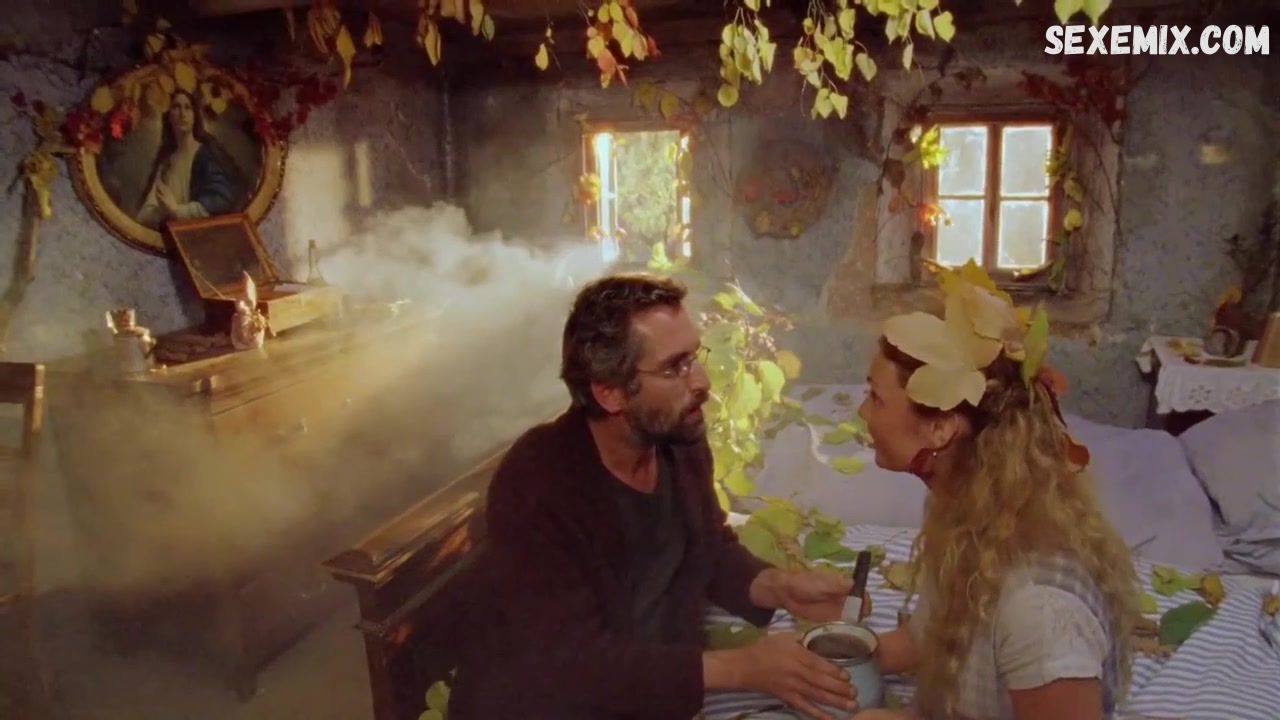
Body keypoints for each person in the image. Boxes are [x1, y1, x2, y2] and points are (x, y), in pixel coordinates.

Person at [450, 273, 866, 720]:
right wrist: (740, 667)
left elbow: (709, 549)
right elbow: (572, 663)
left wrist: (778, 588)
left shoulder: (675, 441)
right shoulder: (538, 481)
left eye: (695, 357)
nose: (702, 382)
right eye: (674, 368)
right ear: (609, 392)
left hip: (651, 697)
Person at [849, 265, 1139, 720]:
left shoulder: (1039, 611)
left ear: (940, 428)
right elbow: (940, 632)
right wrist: (850, 654)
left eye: (876, 397)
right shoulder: (963, 509)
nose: (862, 412)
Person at [136, 90, 242, 229]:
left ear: (194, 116)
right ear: (168, 116)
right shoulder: (166, 162)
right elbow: (145, 214)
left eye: (188, 108)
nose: (182, 114)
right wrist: (165, 210)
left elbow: (220, 200)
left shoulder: (206, 155)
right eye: (176, 107)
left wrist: (177, 211)